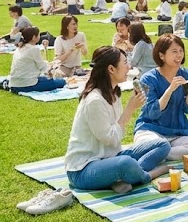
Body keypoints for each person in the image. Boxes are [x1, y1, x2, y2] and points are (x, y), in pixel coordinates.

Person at [64, 46, 170, 193]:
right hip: (84, 169)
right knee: (126, 163)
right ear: (111, 69)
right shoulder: (94, 100)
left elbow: (115, 142)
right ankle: (145, 176)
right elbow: (110, 139)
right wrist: (130, 109)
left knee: (162, 145)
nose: (129, 67)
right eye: (125, 63)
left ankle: (122, 177)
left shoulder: (114, 93)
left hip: (111, 157)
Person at [133, 34, 188, 160]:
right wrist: (170, 89)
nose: (179, 55)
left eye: (181, 51)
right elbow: (152, 113)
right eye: (174, 51)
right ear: (161, 55)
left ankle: (158, 154)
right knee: (150, 144)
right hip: (151, 130)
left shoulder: (186, 74)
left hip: (177, 132)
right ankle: (159, 151)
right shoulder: (148, 78)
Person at [9, 27, 65, 93]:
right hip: (27, 84)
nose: (39, 36)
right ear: (33, 37)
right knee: (61, 82)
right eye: (38, 35)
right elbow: (42, 67)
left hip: (14, 84)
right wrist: (52, 66)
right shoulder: (33, 49)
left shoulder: (19, 48)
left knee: (45, 79)